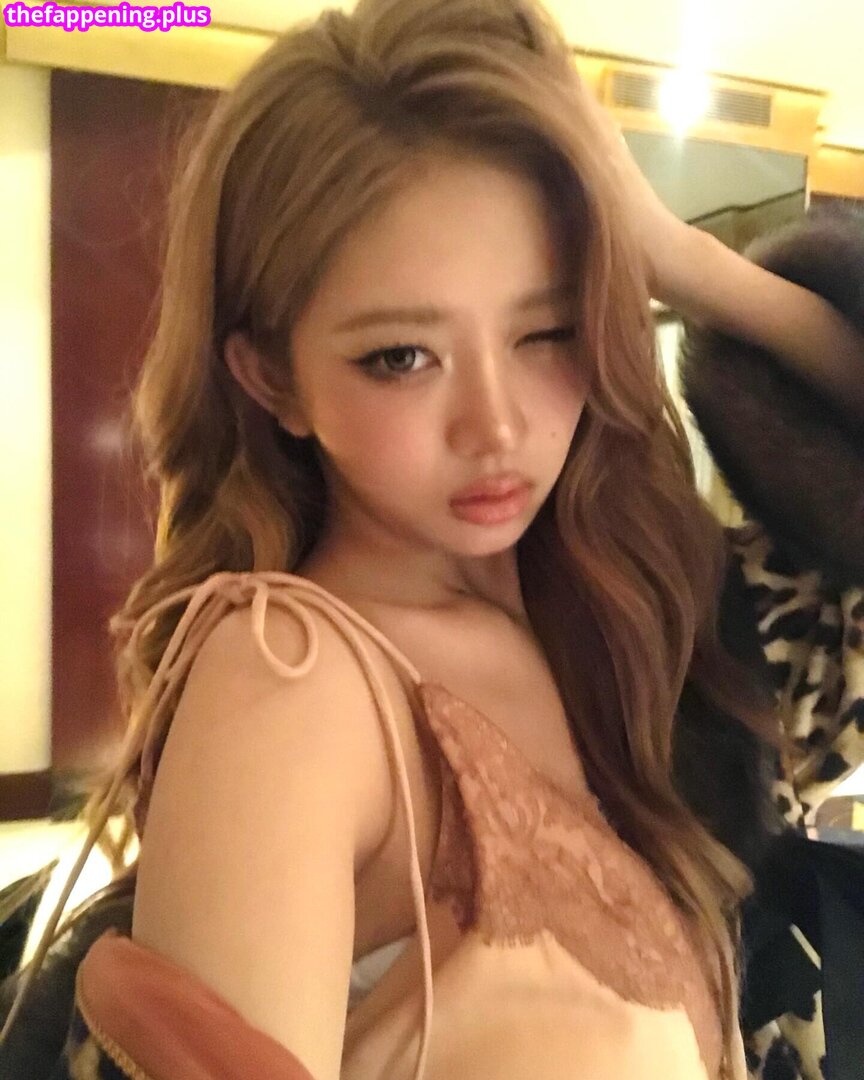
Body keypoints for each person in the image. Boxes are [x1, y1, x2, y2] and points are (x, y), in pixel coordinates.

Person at [1, 1, 863, 1078]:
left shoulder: (651, 624)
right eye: (402, 356)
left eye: (547, 330)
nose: (496, 427)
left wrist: (680, 257)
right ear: (273, 378)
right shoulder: (289, 684)